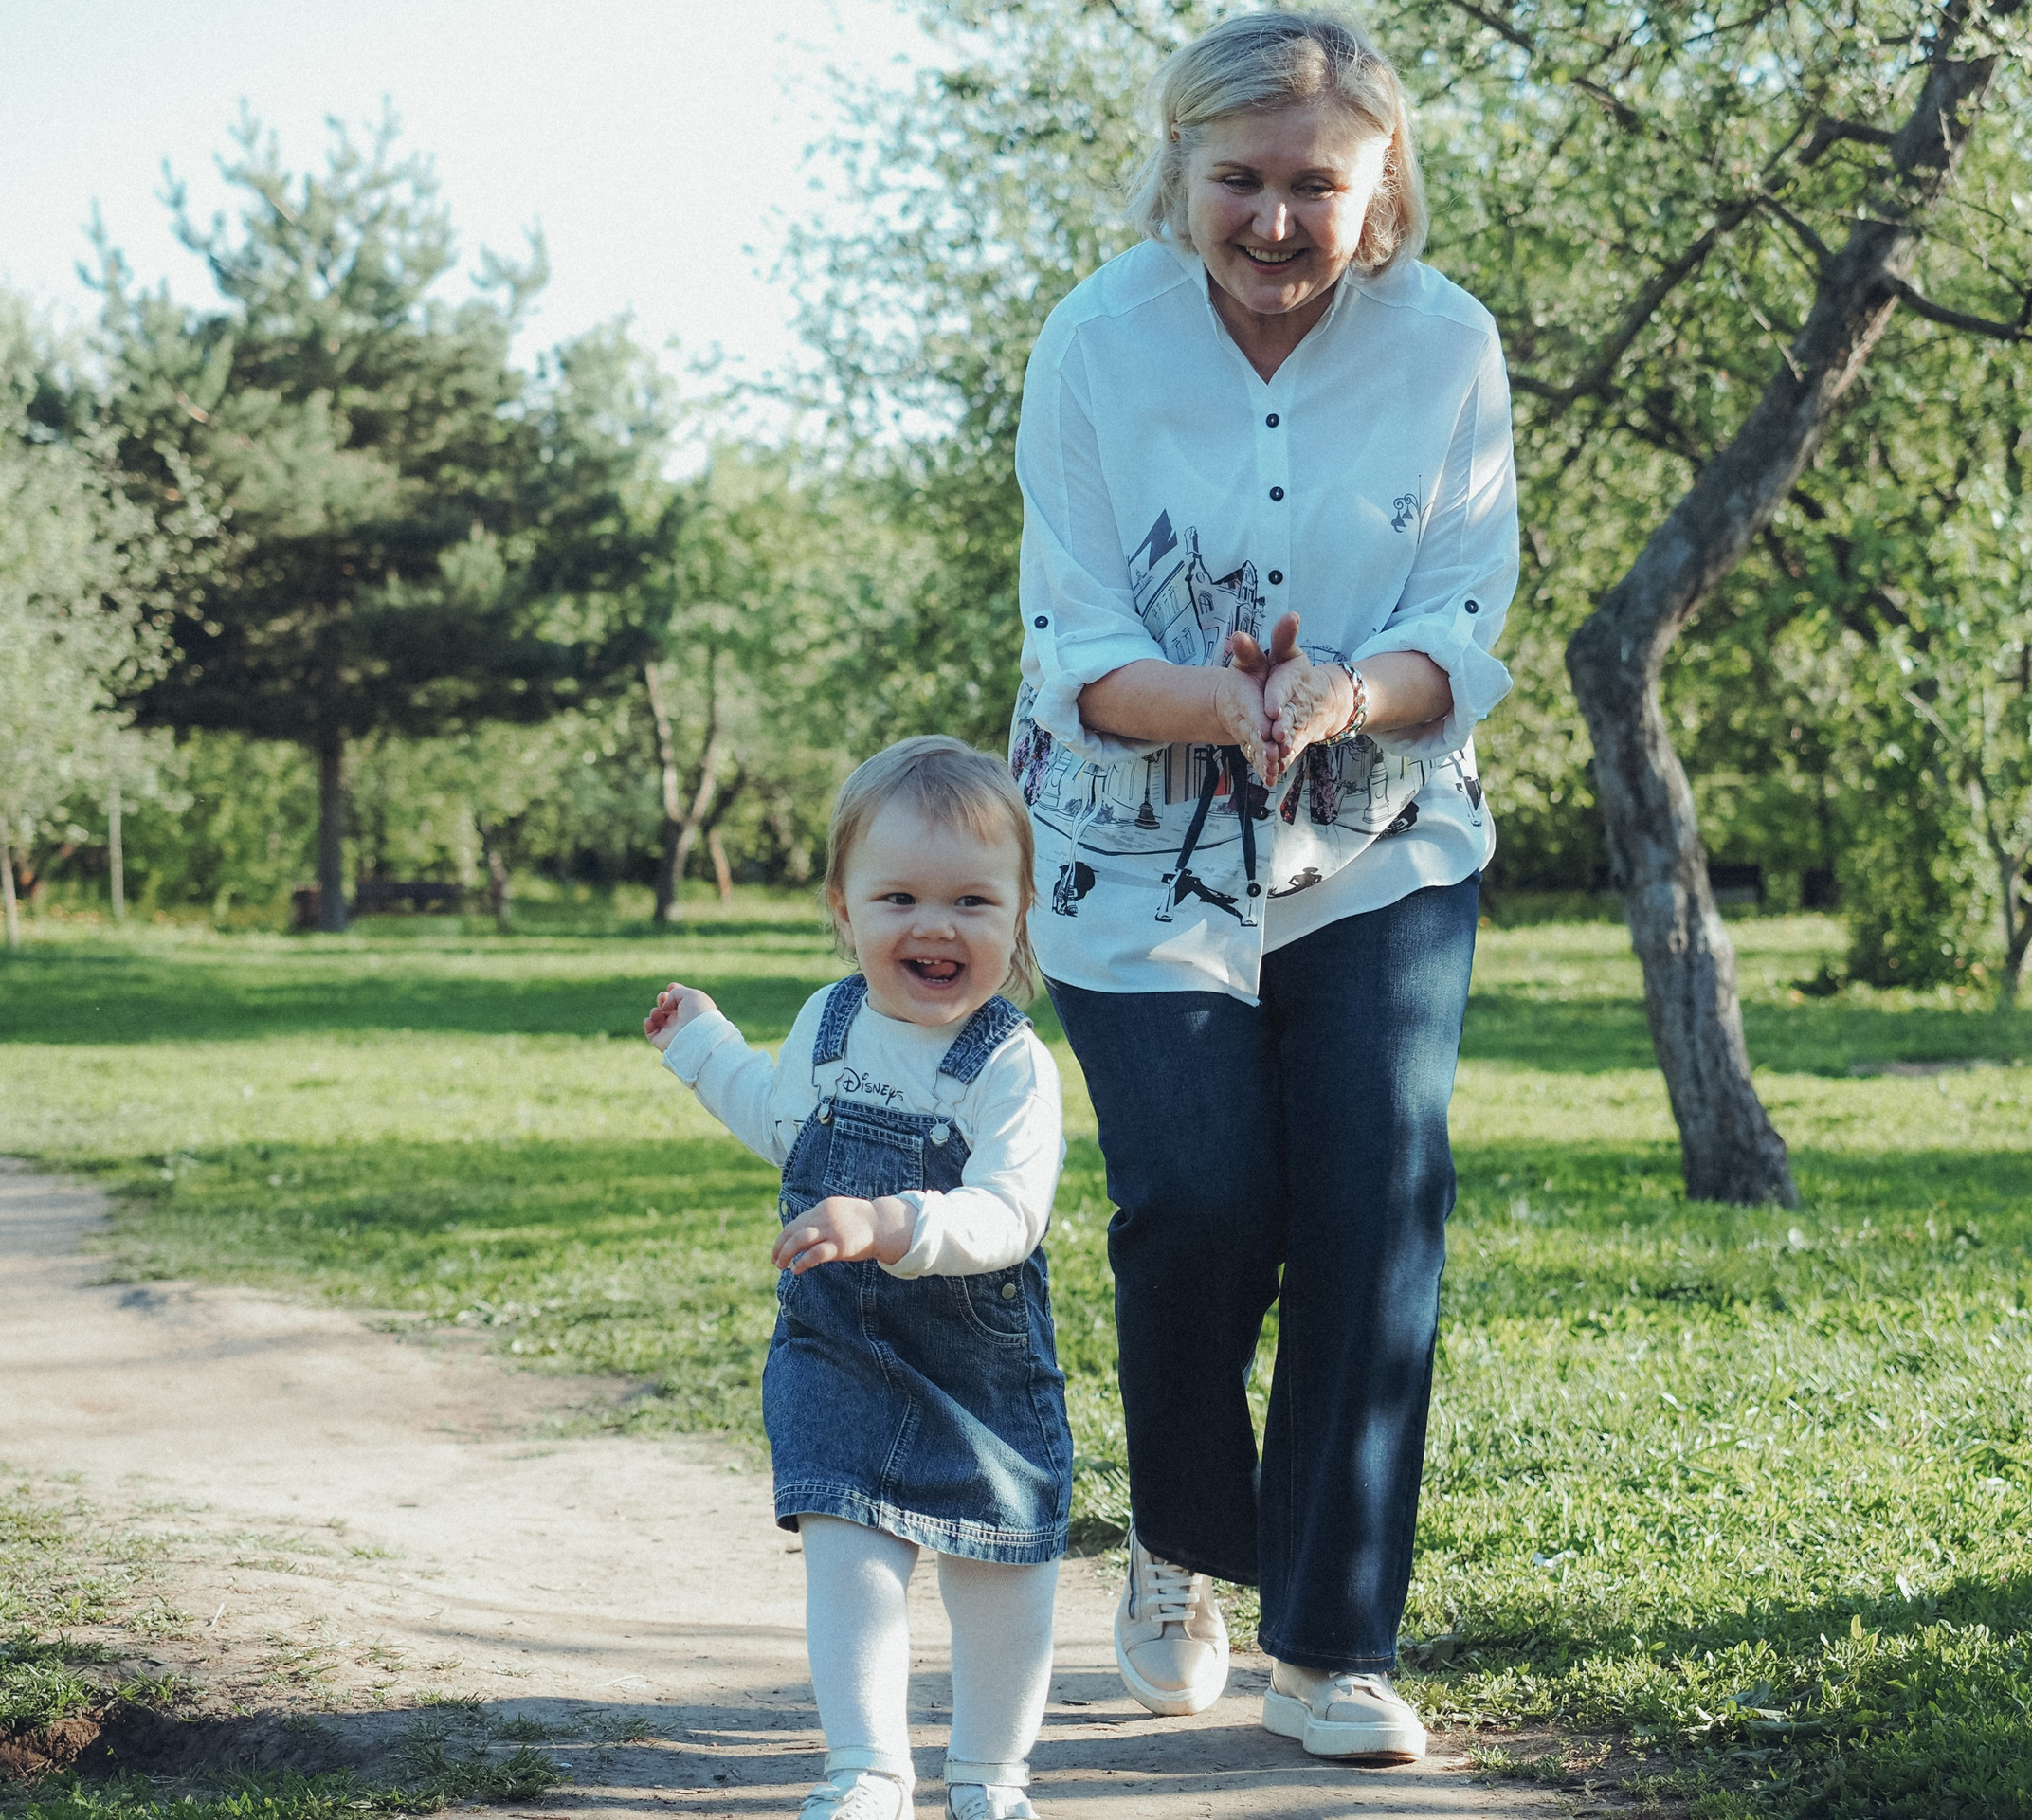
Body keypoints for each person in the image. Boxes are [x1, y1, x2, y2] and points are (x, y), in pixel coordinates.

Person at [1007, 9, 1517, 1763]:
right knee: (1204, 1203)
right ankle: (1183, 1541)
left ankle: (1334, 1646)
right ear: (1182, 173)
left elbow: (1463, 612)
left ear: (1382, 187)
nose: (1280, 221)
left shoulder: (1449, 344)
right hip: (1135, 840)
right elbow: (1073, 627)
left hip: (1382, 838)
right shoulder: (1095, 341)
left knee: (1378, 1209)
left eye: (1320, 184)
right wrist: (1219, 701)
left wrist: (1339, 693)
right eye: (1243, 180)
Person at [644, 736, 1074, 1820]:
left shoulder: (1010, 1063)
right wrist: (704, 1049)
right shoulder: (828, 1026)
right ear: (843, 909)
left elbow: (1010, 1215)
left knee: (1000, 1563)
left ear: (1021, 913)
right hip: (837, 1351)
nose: (935, 926)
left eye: (973, 900)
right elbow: (787, 1127)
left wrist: (888, 1221)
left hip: (973, 1364)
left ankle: (988, 1774)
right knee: (847, 1549)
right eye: (900, 898)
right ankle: (867, 1768)